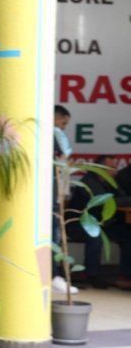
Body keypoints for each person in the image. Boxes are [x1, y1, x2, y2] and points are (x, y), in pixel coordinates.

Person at [65, 155, 131, 290]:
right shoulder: (89, 182)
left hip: (100, 223)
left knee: (127, 235)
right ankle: (91, 274)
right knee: (96, 237)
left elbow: (122, 198)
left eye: (115, 168)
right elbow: (106, 202)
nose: (115, 171)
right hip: (77, 224)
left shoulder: (108, 182)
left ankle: (124, 276)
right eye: (111, 168)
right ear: (99, 168)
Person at [52, 104, 78, 294]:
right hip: (48, 197)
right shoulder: (51, 135)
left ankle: (55, 275)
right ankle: (53, 276)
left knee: (56, 236)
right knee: (53, 237)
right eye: (63, 123)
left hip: (55, 195)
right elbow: (65, 153)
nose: (63, 128)